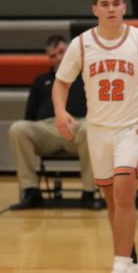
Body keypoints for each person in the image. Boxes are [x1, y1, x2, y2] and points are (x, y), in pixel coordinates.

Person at [52, 0, 138, 273]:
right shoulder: (81, 44)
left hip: (133, 128)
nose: (111, 9)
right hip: (98, 129)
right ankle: (131, 260)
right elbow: (61, 83)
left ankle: (118, 268)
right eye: (105, 4)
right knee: (111, 200)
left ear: (124, 7)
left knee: (123, 193)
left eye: (116, 3)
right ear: (95, 10)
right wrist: (60, 112)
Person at [9, 35, 98, 210]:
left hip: (77, 127)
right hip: (47, 130)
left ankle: (89, 192)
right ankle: (31, 191)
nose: (58, 58)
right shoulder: (41, 80)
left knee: (90, 129)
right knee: (18, 128)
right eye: (52, 56)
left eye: (61, 52)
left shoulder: (87, 77)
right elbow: (30, 116)